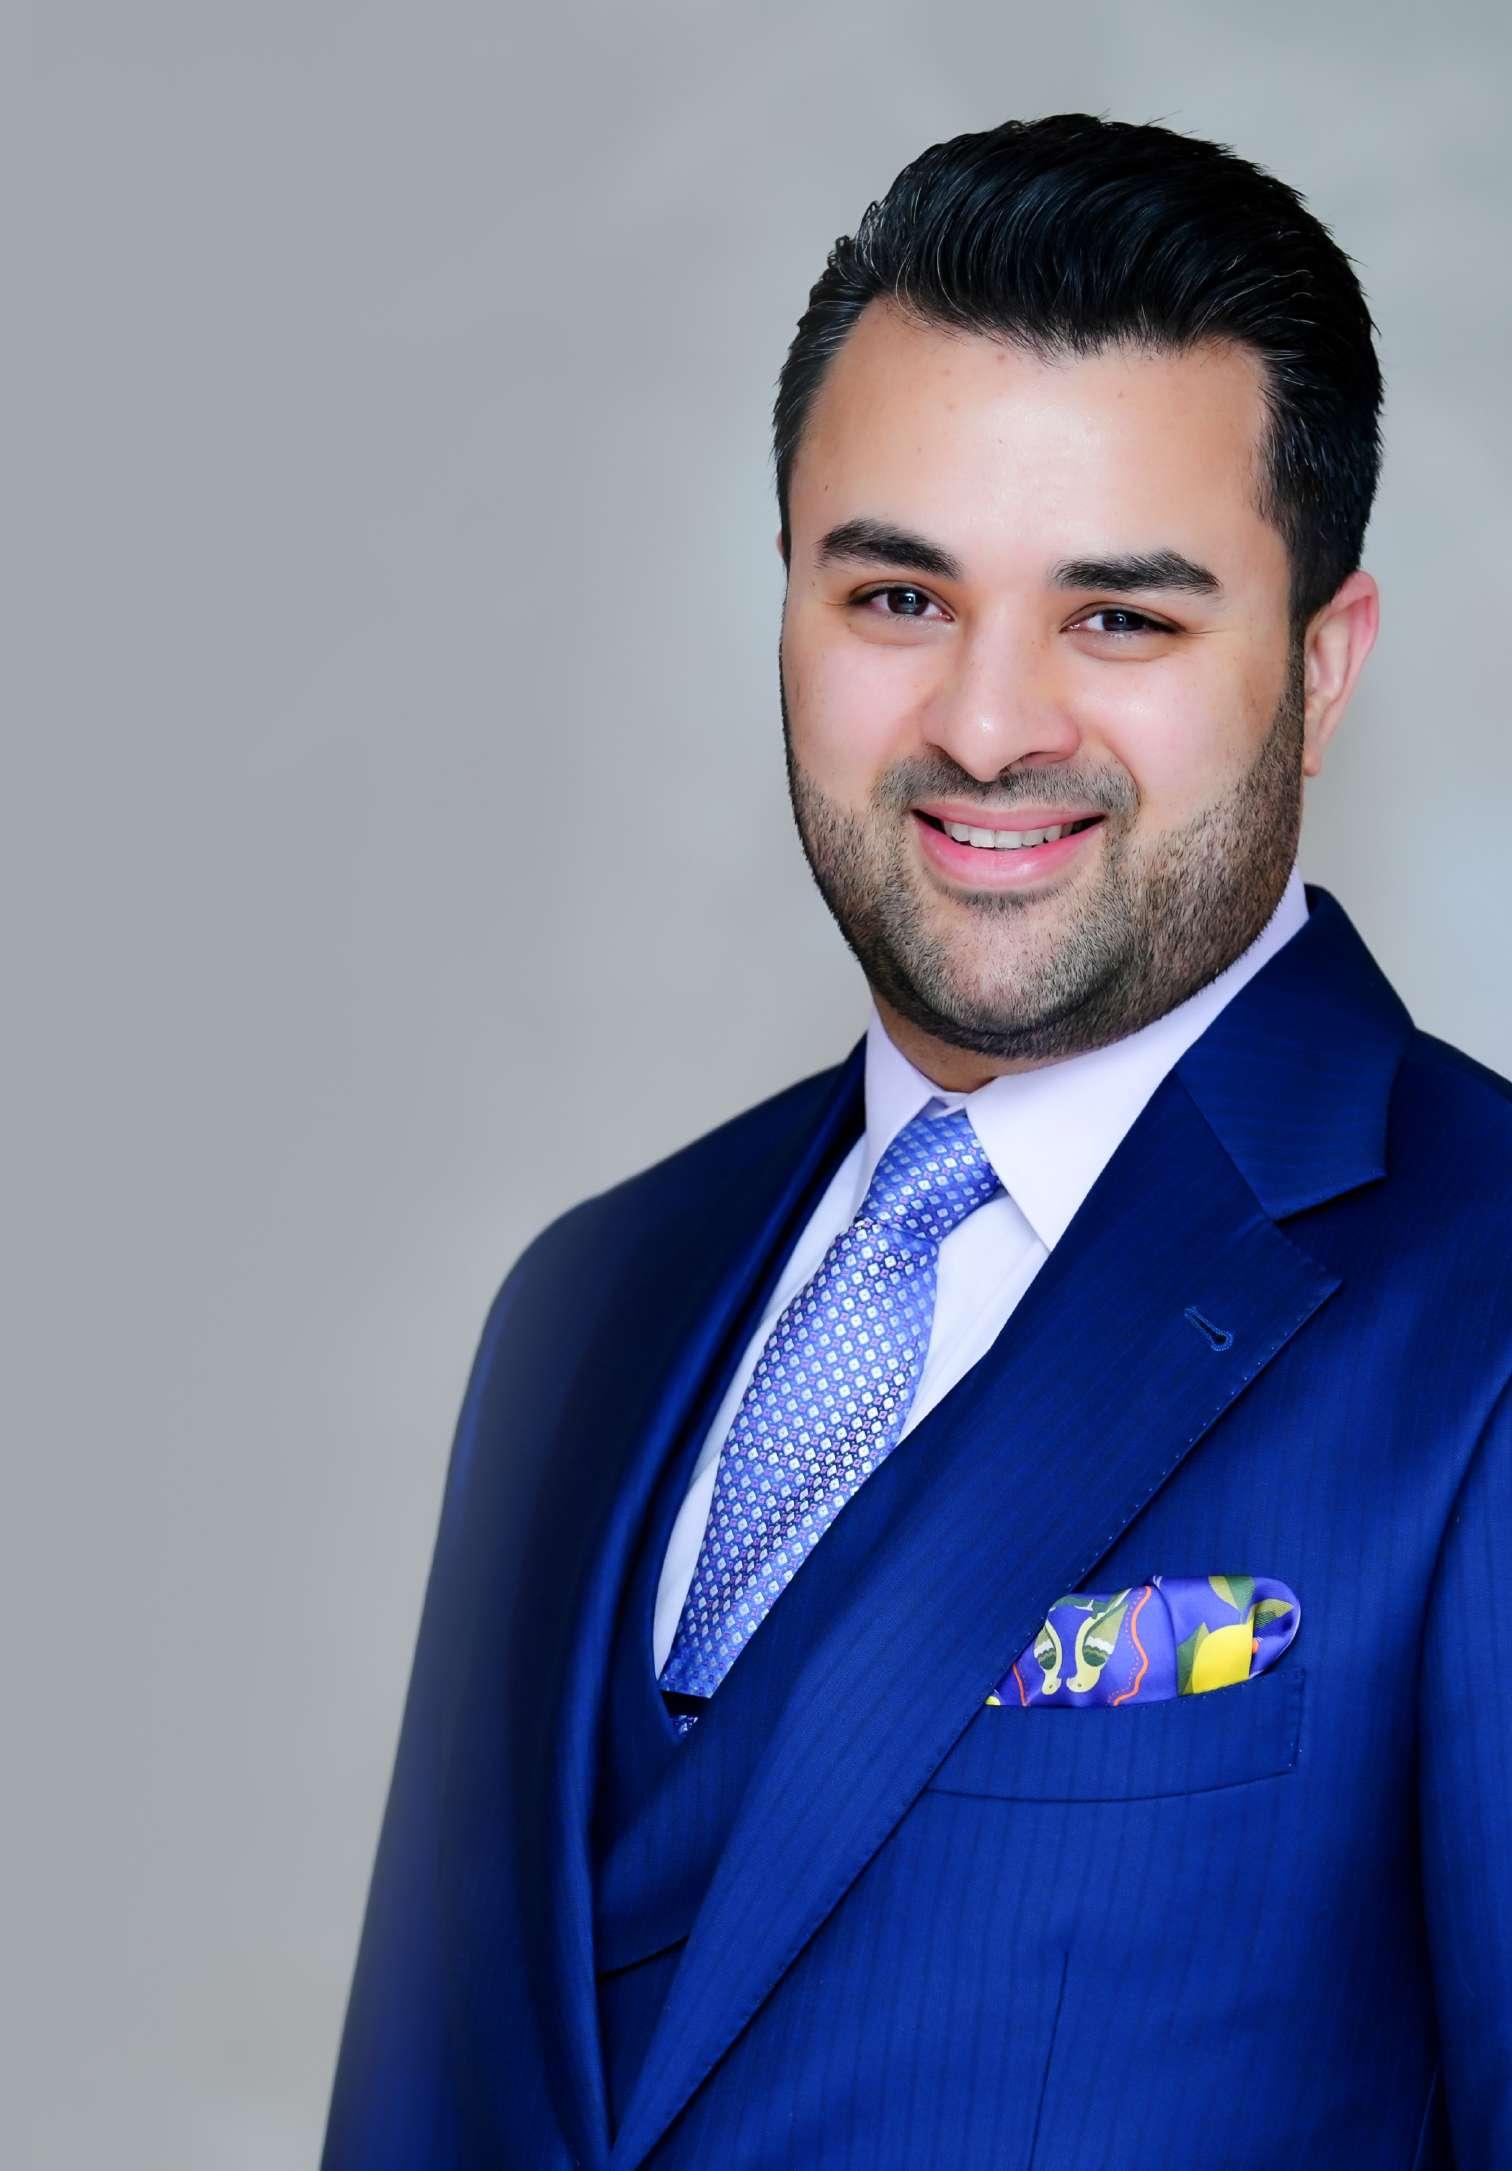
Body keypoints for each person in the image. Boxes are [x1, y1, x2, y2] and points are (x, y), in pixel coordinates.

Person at [321, 114, 1512, 2168]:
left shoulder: (1484, 1313)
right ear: (786, 602)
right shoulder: (586, 1302)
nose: (985, 724)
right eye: (898, 595)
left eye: (1118, 619)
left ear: (1320, 673)